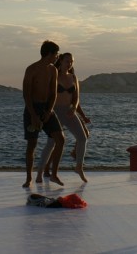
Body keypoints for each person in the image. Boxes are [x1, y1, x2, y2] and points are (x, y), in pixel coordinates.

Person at [39, 52, 91, 183]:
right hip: (55, 112)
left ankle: (79, 167)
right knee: (51, 142)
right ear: (61, 61)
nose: (69, 64)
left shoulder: (73, 77)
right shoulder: (54, 75)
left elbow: (76, 98)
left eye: (71, 62)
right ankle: (40, 172)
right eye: (67, 61)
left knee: (82, 138)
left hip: (68, 112)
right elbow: (45, 95)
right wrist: (43, 113)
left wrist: (75, 109)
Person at [23, 40, 65, 188]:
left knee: (60, 139)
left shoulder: (53, 70)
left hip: (47, 107)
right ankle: (29, 178)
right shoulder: (31, 69)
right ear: (49, 54)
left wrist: (49, 111)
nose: (57, 57)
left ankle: (53, 174)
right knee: (32, 144)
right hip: (32, 108)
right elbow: (26, 94)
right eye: (56, 54)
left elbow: (53, 93)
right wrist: (33, 115)